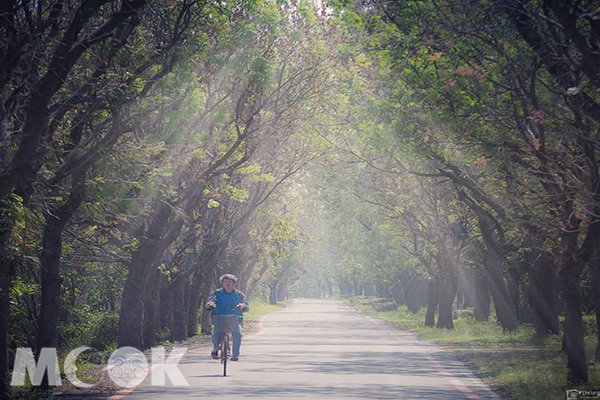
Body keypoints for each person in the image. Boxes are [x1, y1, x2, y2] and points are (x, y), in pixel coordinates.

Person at [205, 273, 249, 361]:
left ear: (234, 283)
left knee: (237, 334)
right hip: (219, 317)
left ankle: (235, 355)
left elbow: (246, 305)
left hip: (235, 318)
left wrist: (242, 305)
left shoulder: (239, 294)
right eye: (225, 282)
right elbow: (211, 300)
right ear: (222, 283)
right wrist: (210, 304)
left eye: (229, 282)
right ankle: (215, 349)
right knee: (216, 333)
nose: (227, 284)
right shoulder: (217, 293)